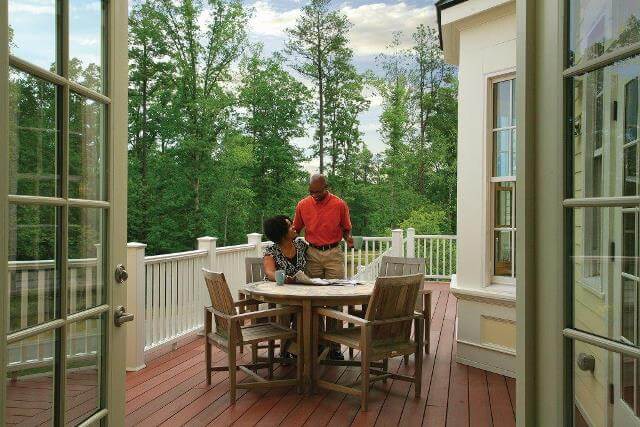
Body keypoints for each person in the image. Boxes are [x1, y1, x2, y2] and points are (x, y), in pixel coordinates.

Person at [293, 174, 353, 360]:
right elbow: (295, 229)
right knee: (315, 299)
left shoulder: (339, 204)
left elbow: (346, 228)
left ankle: (334, 347)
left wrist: (348, 238)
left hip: (333, 253)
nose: (314, 195)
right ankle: (318, 343)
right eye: (311, 191)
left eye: (318, 191)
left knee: (335, 299)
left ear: (326, 187)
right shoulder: (303, 205)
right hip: (312, 253)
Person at [263, 215, 308, 283]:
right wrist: (285, 279)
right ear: (281, 232)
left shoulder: (300, 245)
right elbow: (269, 272)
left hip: (298, 289)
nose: (294, 227)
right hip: (275, 289)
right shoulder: (271, 251)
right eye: (289, 226)